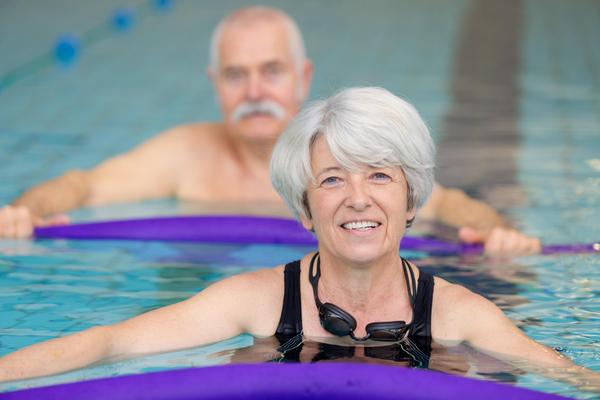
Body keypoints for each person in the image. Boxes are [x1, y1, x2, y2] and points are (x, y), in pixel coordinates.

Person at [0, 88, 596, 389]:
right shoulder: (256, 300)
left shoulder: (461, 314)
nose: (358, 198)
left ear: (411, 200)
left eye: (380, 176)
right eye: (332, 179)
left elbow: (567, 377)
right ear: (305, 209)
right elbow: (111, 345)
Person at [0, 6, 540, 255]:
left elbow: (448, 204)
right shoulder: (186, 153)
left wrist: (491, 230)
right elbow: (84, 186)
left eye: (271, 71)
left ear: (303, 77)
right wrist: (31, 208)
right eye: (237, 75)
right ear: (216, 84)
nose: (255, 90)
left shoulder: (342, 158)